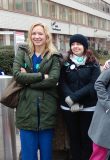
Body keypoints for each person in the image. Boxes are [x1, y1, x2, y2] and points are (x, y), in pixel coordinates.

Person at [12, 22, 61, 160]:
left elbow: (53, 79)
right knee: (28, 155)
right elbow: (17, 75)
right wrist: (40, 76)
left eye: (40, 33)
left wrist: (27, 80)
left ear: (46, 36)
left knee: (47, 155)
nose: (37, 36)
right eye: (34, 33)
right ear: (30, 35)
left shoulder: (54, 56)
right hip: (26, 111)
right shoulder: (23, 52)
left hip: (46, 111)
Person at [59, 34, 100, 160]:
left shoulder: (93, 63)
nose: (75, 46)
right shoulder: (65, 62)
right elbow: (62, 82)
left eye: (79, 44)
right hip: (68, 106)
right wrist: (70, 100)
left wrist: (75, 97)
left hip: (88, 107)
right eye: (73, 44)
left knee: (87, 138)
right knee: (74, 138)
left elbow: (94, 84)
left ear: (85, 46)